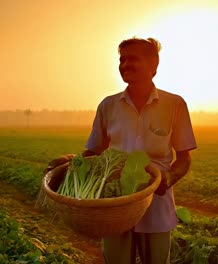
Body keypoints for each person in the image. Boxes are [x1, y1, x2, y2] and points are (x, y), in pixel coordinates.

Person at [82, 37, 197, 264]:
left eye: (132, 59)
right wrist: (70, 164)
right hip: (115, 204)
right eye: (122, 60)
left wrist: (170, 177)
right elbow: (92, 153)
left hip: (156, 203)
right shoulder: (108, 106)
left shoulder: (174, 105)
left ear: (153, 65)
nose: (125, 65)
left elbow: (184, 158)